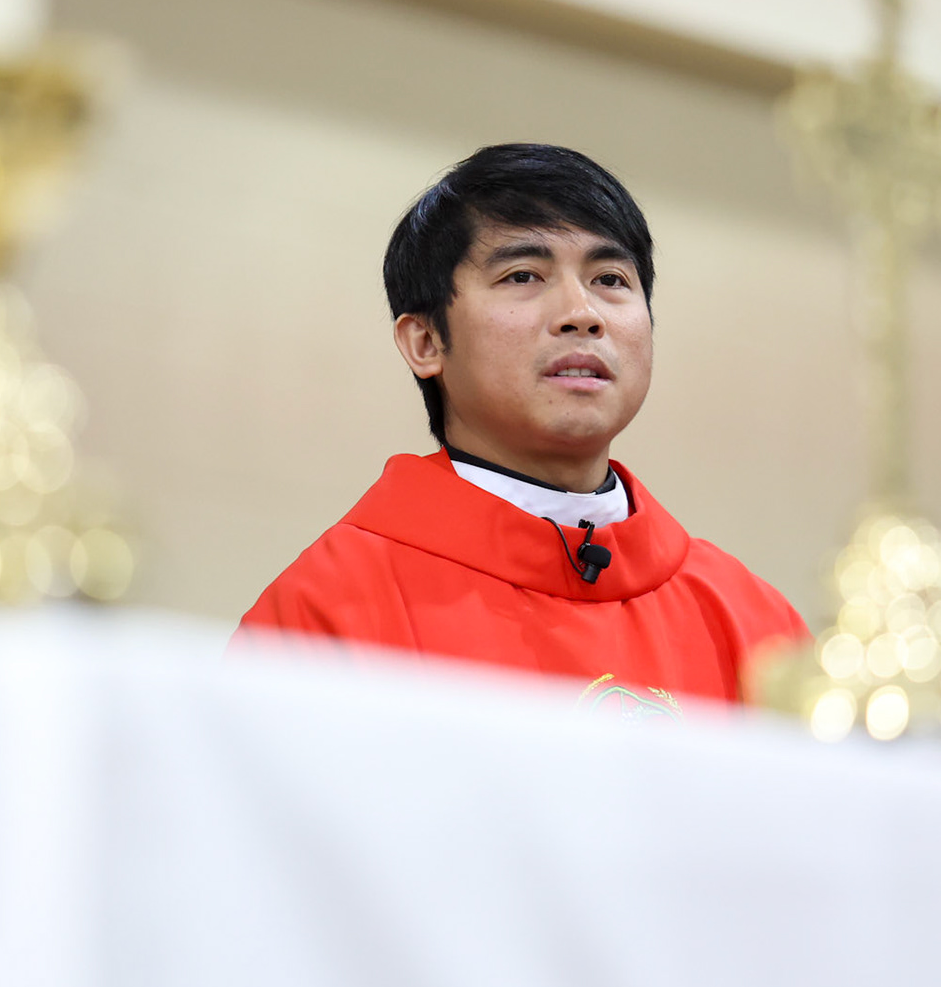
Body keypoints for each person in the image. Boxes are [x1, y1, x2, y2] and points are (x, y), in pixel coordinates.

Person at [243, 143, 806, 704]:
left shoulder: (758, 628)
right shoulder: (323, 616)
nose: (581, 315)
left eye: (610, 279)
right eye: (522, 276)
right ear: (426, 341)